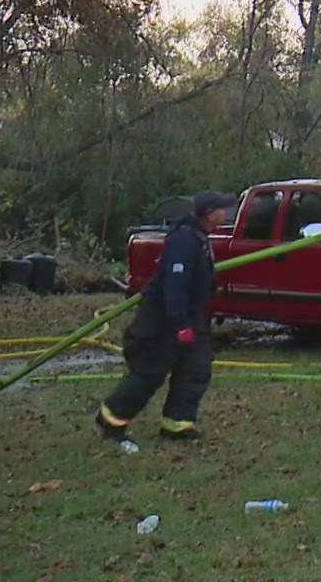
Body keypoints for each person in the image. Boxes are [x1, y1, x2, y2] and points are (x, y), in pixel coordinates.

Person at [95, 190, 233, 446]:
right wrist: (181, 324)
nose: (226, 214)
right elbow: (175, 286)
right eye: (222, 209)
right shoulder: (183, 239)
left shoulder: (199, 237)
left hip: (191, 316)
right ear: (208, 212)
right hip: (164, 319)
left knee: (195, 369)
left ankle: (177, 425)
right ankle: (111, 420)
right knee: (150, 372)